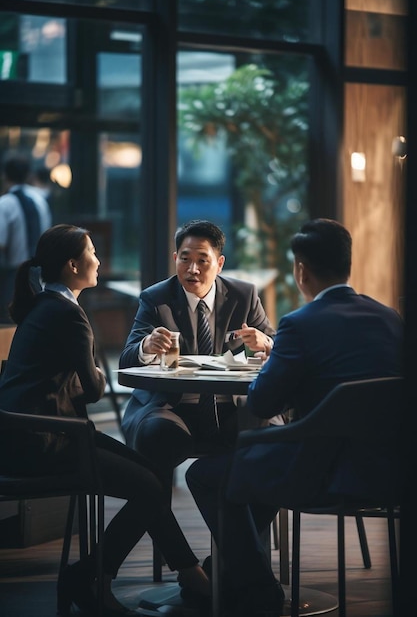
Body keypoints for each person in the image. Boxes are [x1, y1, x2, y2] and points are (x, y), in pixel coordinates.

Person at [185, 218, 404, 617]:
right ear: (346, 264)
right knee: (248, 471)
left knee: (205, 475)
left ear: (300, 270)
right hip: (392, 470)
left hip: (320, 474)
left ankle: (256, 589)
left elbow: (263, 403)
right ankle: (226, 575)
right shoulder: (391, 319)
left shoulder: (300, 325)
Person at [0, 224, 210, 617]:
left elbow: (68, 380)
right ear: (73, 264)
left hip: (38, 434)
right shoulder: (67, 314)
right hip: (46, 443)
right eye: (92, 252)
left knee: (151, 474)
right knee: (149, 487)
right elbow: (95, 387)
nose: (99, 259)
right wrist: (92, 374)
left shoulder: (45, 306)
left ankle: (188, 571)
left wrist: (85, 376)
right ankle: (94, 576)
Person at [119, 219, 276, 491]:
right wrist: (146, 346)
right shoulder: (156, 298)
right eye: (185, 259)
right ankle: (162, 527)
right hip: (173, 407)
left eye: (203, 261)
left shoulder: (244, 295)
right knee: (156, 435)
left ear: (220, 263)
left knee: (269, 433)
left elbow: (277, 346)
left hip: (231, 407)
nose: (192, 269)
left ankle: (247, 531)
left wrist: (265, 342)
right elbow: (127, 358)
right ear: (175, 258)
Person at [0, 153, 52, 323]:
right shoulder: (40, 201)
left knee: (11, 323)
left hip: (13, 275)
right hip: (41, 273)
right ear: (29, 175)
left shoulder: (5, 203)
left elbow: (1, 243)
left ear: (5, 176)